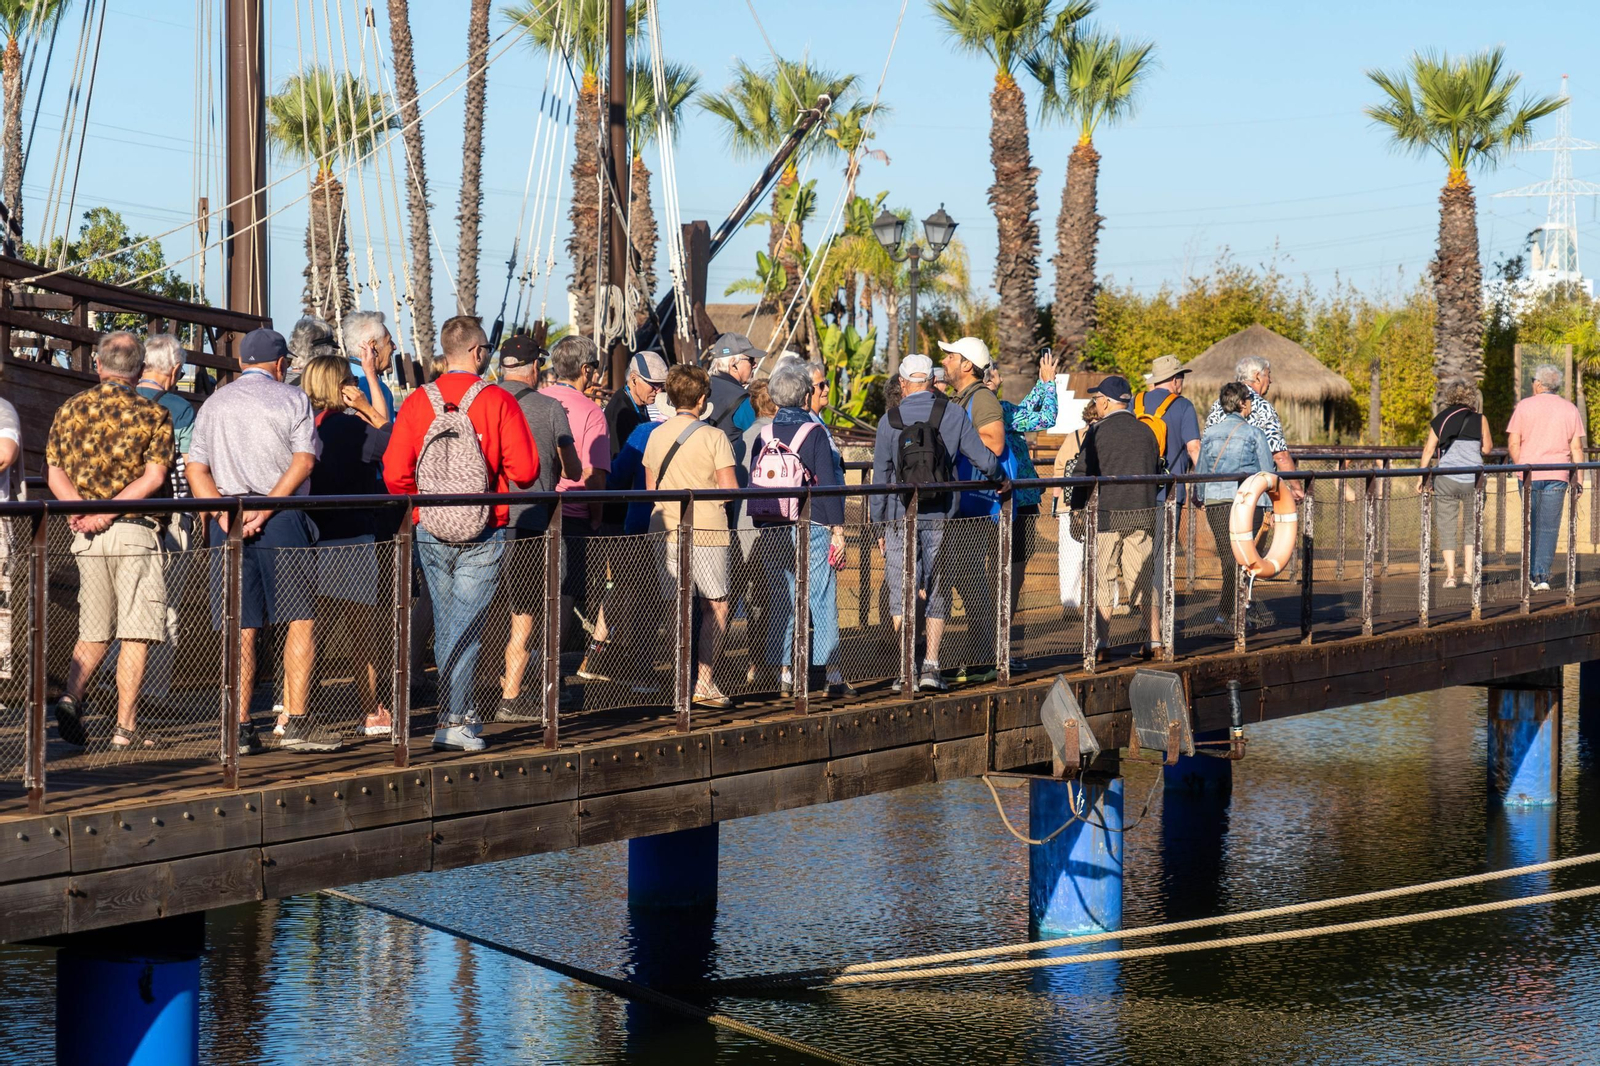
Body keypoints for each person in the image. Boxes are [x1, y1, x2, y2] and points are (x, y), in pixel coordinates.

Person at [384, 315, 539, 752]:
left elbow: (395, 476)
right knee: (465, 625)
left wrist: (426, 505)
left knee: (452, 620)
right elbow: (526, 473)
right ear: (477, 352)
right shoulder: (496, 400)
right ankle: (453, 720)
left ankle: (459, 711)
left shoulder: (417, 402)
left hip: (431, 526)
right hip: (484, 527)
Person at [189, 328, 332, 754]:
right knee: (299, 618)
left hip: (227, 521)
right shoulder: (292, 398)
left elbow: (197, 470)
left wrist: (226, 516)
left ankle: (239, 726)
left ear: (241, 363)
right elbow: (305, 460)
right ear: (281, 364)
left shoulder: (214, 404)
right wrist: (266, 510)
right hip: (283, 518)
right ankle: (298, 721)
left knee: (240, 624)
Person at [44, 331, 173, 750]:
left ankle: (71, 696)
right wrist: (107, 512)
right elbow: (153, 477)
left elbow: (54, 472)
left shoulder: (69, 409)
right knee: (135, 632)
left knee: (94, 628)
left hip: (85, 536)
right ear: (139, 371)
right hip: (134, 532)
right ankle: (125, 729)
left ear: (99, 366)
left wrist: (79, 511)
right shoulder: (153, 415)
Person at [870, 354, 1003, 693]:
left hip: (900, 517)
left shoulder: (889, 420)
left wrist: (879, 524)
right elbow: (981, 456)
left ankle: (905, 669)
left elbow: (881, 477)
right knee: (937, 589)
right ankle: (931, 666)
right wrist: (1000, 478)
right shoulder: (953, 413)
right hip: (942, 515)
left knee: (902, 591)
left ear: (902, 384)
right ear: (930, 380)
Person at [298, 354, 394, 738]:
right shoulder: (354, 428)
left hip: (306, 536)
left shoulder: (304, 427)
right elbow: (392, 436)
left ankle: (292, 711)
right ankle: (371, 711)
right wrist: (367, 402)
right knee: (361, 634)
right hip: (352, 536)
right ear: (343, 387)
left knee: (304, 629)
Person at [752, 359, 854, 698]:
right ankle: (832, 673)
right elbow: (827, 485)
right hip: (811, 524)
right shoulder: (814, 433)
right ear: (804, 395)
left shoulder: (763, 433)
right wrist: (837, 530)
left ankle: (784, 674)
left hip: (773, 523)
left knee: (784, 597)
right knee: (821, 597)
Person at [495, 335, 581, 722]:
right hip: (533, 521)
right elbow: (574, 469)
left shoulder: (480, 402)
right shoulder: (550, 408)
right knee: (528, 611)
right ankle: (514, 696)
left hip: (485, 521)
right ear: (533, 368)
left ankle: (466, 698)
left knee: (488, 611)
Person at [644, 364, 739, 708]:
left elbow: (650, 489)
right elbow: (729, 491)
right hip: (707, 529)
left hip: (665, 527)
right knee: (715, 606)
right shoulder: (714, 437)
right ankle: (704, 682)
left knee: (676, 606)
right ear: (701, 399)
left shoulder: (655, 435)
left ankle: (679, 682)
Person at [1070, 375, 1162, 656]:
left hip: (1106, 516)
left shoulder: (1097, 433)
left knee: (1102, 579)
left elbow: (1082, 476)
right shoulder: (1146, 432)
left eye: (1097, 400)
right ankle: (1156, 640)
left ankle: (1102, 643)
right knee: (1144, 579)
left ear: (1108, 402)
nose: (1095, 404)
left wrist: (1076, 510)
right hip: (1142, 513)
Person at [135, 334, 199, 712]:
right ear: (174, 369)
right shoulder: (179, 407)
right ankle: (152, 696)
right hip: (172, 514)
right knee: (168, 604)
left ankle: (114, 680)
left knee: (127, 602)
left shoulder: (121, 400)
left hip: (123, 515)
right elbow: (190, 465)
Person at [540, 336, 612, 669]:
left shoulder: (537, 400)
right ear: (586, 370)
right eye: (595, 367)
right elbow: (596, 475)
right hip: (574, 514)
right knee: (564, 594)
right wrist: (596, 517)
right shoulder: (591, 412)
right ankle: (550, 671)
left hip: (535, 509)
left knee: (532, 596)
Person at [937, 336, 1008, 673]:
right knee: (967, 581)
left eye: (950, 356)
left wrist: (954, 439)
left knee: (972, 583)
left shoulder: (981, 399)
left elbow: (993, 443)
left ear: (967, 365)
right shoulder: (963, 398)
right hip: (964, 508)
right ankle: (979, 657)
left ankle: (983, 659)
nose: (945, 361)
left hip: (975, 511)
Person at [984, 350, 1060, 640]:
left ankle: (996, 635)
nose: (1002, 376)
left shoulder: (995, 409)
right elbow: (1045, 418)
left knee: (1005, 568)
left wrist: (1043, 382)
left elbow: (1023, 411)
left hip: (1011, 499)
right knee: (1010, 570)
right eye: (997, 372)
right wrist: (1050, 384)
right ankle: (998, 636)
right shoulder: (996, 411)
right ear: (989, 378)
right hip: (1012, 502)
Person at [1196, 382, 1277, 628]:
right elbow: (1267, 473)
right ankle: (1229, 614)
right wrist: (1273, 506)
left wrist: (1200, 496)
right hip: (1246, 503)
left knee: (1227, 558)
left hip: (1216, 502)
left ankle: (1233, 613)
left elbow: (1201, 470)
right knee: (1244, 557)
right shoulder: (1254, 433)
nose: (1252, 403)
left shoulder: (1210, 434)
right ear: (1242, 403)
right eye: (1249, 399)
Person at [1507, 365, 1585, 591]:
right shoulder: (1570, 409)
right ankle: (1541, 577)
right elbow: (1577, 448)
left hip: (1529, 473)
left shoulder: (1524, 406)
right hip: (1558, 474)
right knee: (1549, 527)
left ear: (1539, 384)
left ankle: (1529, 573)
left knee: (1530, 524)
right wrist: (1577, 479)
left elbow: (1513, 443)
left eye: (1533, 380)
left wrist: (1521, 466)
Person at [1135, 354, 1203, 613]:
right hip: (1170, 493)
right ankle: (1160, 618)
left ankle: (1143, 615)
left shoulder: (1135, 402)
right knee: (1163, 555)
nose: (1182, 382)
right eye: (1181, 377)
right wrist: (1201, 487)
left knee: (1138, 554)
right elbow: (1194, 448)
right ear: (1174, 380)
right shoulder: (1183, 406)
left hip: (1137, 492)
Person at [1419, 380, 1494, 588]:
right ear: (1471, 398)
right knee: (1472, 527)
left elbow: (1428, 450)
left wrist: (1422, 477)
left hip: (1446, 479)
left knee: (1447, 527)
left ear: (1450, 397)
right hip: (1473, 480)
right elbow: (1487, 449)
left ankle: (1451, 576)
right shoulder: (1480, 419)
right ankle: (1469, 573)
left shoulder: (1441, 419)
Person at [1204, 354, 1302, 502]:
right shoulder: (1263, 407)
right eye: (1268, 375)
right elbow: (1279, 454)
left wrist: (1200, 491)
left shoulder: (1217, 404)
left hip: (1218, 493)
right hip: (1252, 494)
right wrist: (1296, 488)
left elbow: (1205, 449)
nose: (1270, 381)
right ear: (1257, 376)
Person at [1051, 400, 1101, 610]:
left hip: (1069, 504)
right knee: (1102, 556)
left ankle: (1070, 604)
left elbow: (1059, 470)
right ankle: (1104, 601)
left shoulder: (1073, 437)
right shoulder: (1104, 436)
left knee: (1070, 557)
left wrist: (1056, 504)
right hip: (1098, 503)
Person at [604, 349, 668, 458]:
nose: (659, 391)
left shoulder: (639, 401)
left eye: (661, 385)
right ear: (634, 379)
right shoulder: (620, 411)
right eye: (654, 385)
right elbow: (617, 458)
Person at [339, 310, 396, 426]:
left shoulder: (339, 376)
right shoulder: (375, 386)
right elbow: (386, 430)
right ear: (372, 346)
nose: (394, 347)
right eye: (389, 341)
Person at [286, 314, 338, 386]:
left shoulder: (278, 380)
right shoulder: (325, 385)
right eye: (332, 350)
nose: (334, 353)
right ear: (322, 352)